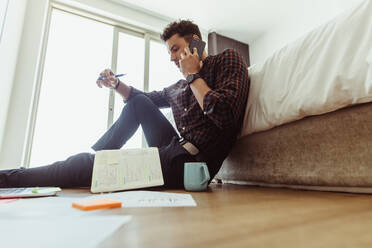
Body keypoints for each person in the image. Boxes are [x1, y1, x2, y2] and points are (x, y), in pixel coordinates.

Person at [0, 20, 249, 189]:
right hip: (173, 150)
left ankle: (10, 179)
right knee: (138, 101)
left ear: (195, 43)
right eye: (169, 53)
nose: (172, 57)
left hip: (192, 165)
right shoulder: (179, 87)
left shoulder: (227, 60)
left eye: (175, 49)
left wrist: (193, 75)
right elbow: (143, 99)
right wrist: (114, 84)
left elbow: (226, 116)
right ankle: (99, 162)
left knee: (78, 165)